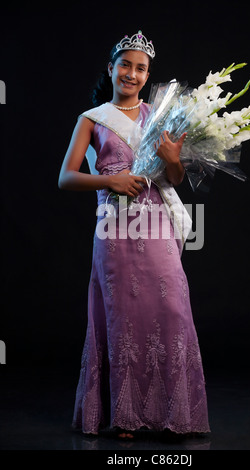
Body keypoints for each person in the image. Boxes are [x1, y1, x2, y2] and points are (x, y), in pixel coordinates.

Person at [58, 30, 210, 439]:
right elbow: (66, 178)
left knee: (170, 307)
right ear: (111, 68)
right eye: (125, 64)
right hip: (114, 227)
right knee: (123, 315)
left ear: (147, 75)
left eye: (140, 68)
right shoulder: (91, 120)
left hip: (156, 221)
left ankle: (171, 413)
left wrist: (173, 158)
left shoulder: (158, 118)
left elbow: (173, 179)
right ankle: (125, 415)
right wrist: (111, 181)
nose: (132, 73)